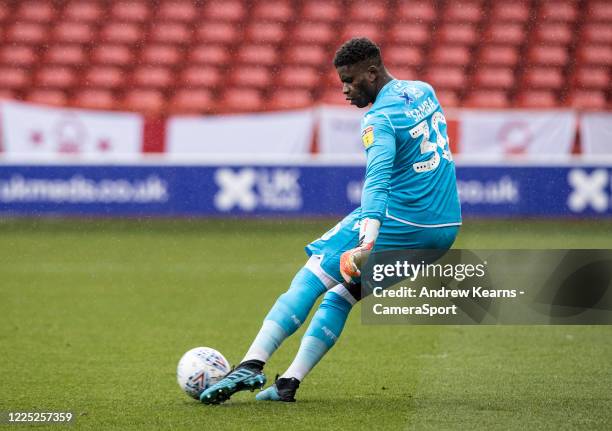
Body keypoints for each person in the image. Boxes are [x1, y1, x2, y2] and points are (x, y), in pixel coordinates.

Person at [200, 37, 462, 404]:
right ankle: (288, 382)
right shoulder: (423, 91)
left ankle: (251, 364)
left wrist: (366, 241)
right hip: (443, 231)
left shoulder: (379, 118)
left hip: (399, 219)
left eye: (350, 80)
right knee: (343, 295)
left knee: (311, 275)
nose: (345, 89)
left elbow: (378, 177)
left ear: (372, 73)